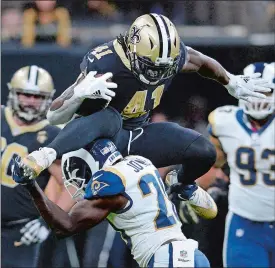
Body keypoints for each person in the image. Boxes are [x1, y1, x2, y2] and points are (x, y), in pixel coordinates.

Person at [20, 13, 273, 203]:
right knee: (110, 118)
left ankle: (181, 183)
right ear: (132, 49)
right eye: (151, 66)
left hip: (138, 134)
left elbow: (199, 60)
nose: (157, 74)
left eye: (164, 68)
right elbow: (54, 116)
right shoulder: (106, 61)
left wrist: (231, 81)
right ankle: (44, 155)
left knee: (204, 151)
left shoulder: (167, 58)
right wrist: (77, 94)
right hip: (100, 139)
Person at [12, 138, 217, 268]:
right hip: (191, 254)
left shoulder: (111, 183)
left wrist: (31, 186)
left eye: (79, 173)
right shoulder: (140, 162)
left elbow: (64, 226)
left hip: (168, 258)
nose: (79, 181)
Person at [207, 62, 275, 267]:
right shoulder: (224, 122)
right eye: (254, 89)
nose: (259, 96)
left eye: (265, 89)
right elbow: (215, 165)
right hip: (245, 222)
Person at [1, 66, 63, 267]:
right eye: (25, 94)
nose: (31, 102)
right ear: (13, 93)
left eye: (38, 97)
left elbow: (66, 184)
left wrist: (48, 221)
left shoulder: (53, 135)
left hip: (20, 229)